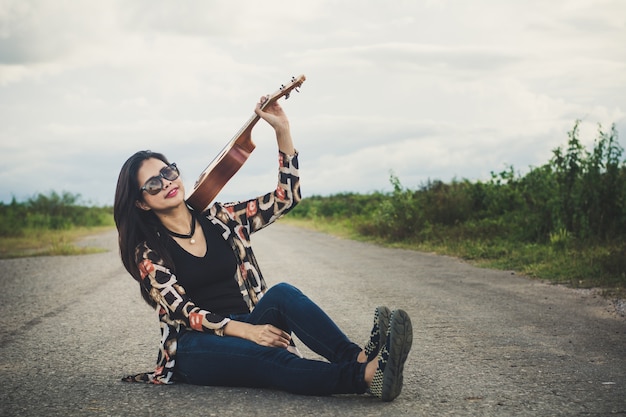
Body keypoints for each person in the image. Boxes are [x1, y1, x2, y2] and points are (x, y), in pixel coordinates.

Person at [113, 95, 413, 401]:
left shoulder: (222, 218)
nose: (165, 183)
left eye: (168, 172)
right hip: (195, 345)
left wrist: (282, 131)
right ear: (141, 202)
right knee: (276, 361)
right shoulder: (149, 251)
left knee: (282, 294)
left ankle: (359, 358)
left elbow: (286, 198)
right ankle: (365, 376)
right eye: (152, 184)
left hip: (247, 322)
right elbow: (184, 312)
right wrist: (248, 332)